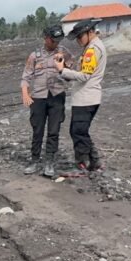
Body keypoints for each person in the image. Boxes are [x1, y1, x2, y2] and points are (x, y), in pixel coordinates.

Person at [20, 25, 74, 177]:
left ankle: (49, 162)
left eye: (58, 40)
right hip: (38, 97)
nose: (55, 43)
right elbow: (25, 77)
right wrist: (25, 93)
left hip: (57, 96)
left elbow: (71, 74)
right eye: (53, 40)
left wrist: (62, 66)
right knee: (37, 130)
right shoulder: (34, 56)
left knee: (53, 131)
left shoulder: (64, 53)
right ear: (46, 38)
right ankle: (34, 160)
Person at [55, 20, 107, 174]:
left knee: (78, 131)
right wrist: (65, 68)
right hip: (88, 97)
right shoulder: (93, 47)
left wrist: (61, 71)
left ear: (90, 32)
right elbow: (83, 71)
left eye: (79, 37)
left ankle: (82, 163)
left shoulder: (92, 50)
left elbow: (84, 76)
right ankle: (94, 161)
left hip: (86, 98)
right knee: (80, 130)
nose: (78, 41)